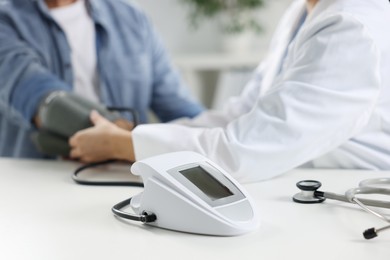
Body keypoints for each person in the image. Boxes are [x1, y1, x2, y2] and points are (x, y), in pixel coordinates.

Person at [69, 0, 390, 183]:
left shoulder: (352, 27)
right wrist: (140, 134)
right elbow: (245, 113)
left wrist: (124, 145)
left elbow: (243, 152)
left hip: (351, 195)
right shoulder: (302, 13)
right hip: (298, 182)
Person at [0, 0, 203, 158]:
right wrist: (130, 139)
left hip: (126, 184)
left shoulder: (131, 18)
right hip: (36, 188)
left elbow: (184, 112)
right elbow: (46, 105)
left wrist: (219, 140)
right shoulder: (6, 20)